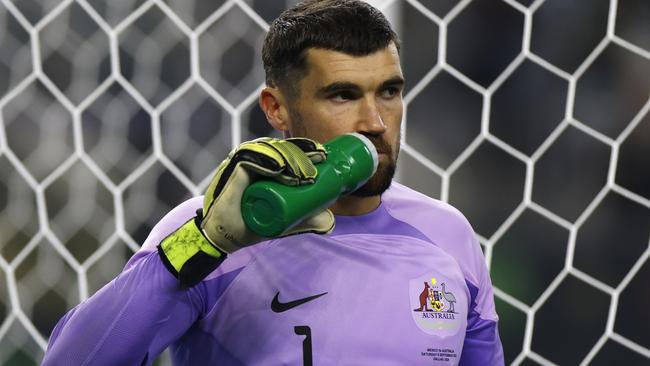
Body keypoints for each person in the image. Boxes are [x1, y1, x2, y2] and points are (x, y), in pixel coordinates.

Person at [42, 0, 504, 364]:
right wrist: (204, 242)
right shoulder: (211, 229)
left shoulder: (448, 237)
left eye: (389, 91)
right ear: (276, 108)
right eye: (342, 95)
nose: (376, 121)